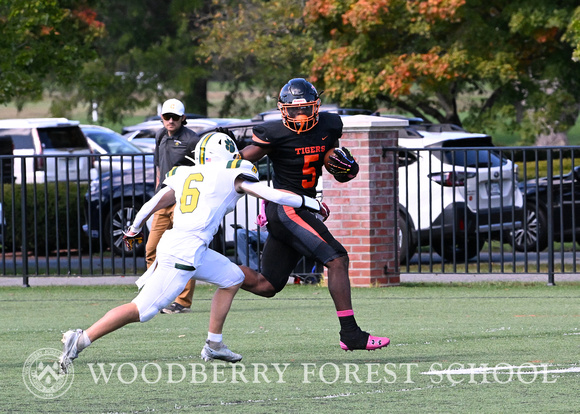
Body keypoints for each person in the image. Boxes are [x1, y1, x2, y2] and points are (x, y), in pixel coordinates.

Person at [59, 132, 325, 373]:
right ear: (227, 154)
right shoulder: (231, 173)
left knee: (232, 278)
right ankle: (80, 339)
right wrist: (312, 203)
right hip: (186, 251)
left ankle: (214, 343)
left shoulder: (186, 173)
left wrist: (134, 227)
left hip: (181, 244)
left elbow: (155, 201)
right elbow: (274, 195)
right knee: (143, 309)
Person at [236, 78, 390, 352]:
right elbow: (240, 161)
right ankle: (351, 334)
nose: (300, 115)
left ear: (316, 106)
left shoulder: (329, 126)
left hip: (303, 207)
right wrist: (219, 164)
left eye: (306, 108)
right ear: (283, 110)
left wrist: (346, 168)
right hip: (286, 207)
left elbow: (338, 166)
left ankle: (208, 268)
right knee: (337, 258)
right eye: (294, 110)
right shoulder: (273, 133)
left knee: (268, 285)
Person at [147, 98, 199, 314]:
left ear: (183, 118)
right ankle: (154, 294)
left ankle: (183, 301)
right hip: (162, 199)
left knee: (183, 252)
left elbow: (201, 171)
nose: (170, 121)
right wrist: (158, 192)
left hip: (183, 203)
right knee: (151, 249)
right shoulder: (160, 135)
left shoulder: (192, 140)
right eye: (167, 117)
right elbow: (159, 166)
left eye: (175, 117)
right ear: (162, 118)